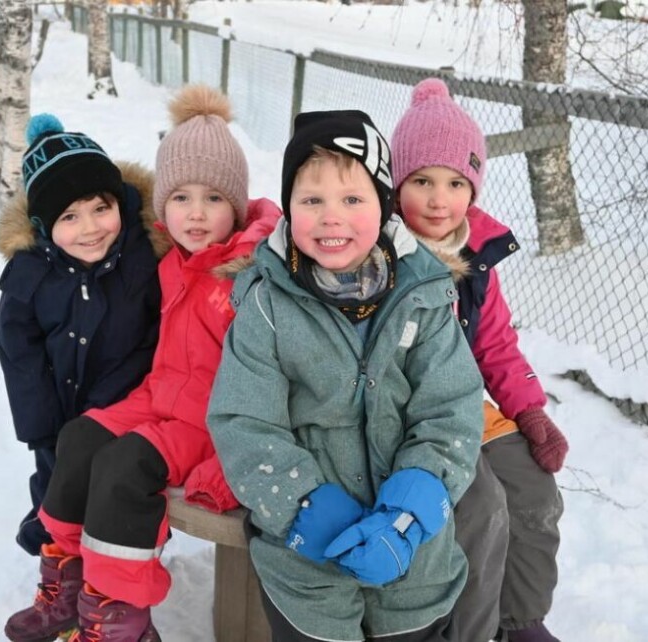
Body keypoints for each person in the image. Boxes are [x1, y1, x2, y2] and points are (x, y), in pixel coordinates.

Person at [3, 85, 280, 642]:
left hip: (213, 421)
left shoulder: (251, 275)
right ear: (159, 207)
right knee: (81, 437)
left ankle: (119, 618)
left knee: (123, 467)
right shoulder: (170, 259)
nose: (195, 213)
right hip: (161, 398)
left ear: (237, 203)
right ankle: (70, 581)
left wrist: (233, 464)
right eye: (180, 197)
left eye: (213, 198)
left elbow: (278, 381)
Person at [207, 109, 485, 642]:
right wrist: (305, 507)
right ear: (289, 208)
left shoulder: (422, 296)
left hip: (414, 560)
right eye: (312, 201)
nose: (331, 218)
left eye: (353, 200)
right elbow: (244, 421)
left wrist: (408, 515)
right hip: (307, 563)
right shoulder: (267, 306)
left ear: (383, 207)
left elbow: (451, 409)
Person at [390, 77, 568, 642]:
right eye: (421, 181)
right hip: (404, 416)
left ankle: (520, 622)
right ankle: (468, 632)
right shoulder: (380, 252)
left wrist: (529, 410)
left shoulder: (478, 259)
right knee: (480, 503)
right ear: (397, 183)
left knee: (534, 491)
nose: (438, 199)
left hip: (469, 407)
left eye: (455, 183)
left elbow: (495, 346)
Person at [0, 115, 160, 558]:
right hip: (56, 409)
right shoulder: (30, 272)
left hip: (123, 406)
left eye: (101, 208)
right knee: (55, 487)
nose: (90, 228)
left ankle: (110, 567)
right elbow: (16, 347)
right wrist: (40, 424)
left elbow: (156, 333)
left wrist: (114, 399)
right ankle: (59, 559)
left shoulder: (143, 257)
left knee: (112, 490)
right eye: (69, 216)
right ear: (43, 224)